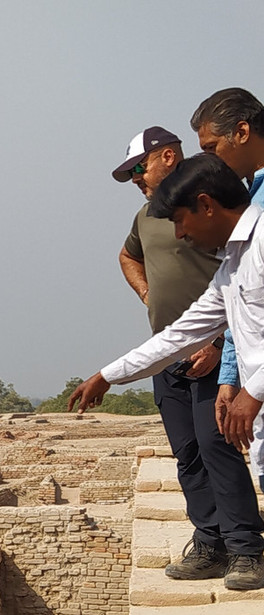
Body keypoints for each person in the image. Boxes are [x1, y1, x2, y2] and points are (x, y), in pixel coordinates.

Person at [110, 128, 264, 590]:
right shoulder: (147, 217)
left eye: (138, 168)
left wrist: (226, 360)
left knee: (218, 445)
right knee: (189, 453)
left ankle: (245, 547)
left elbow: (230, 304)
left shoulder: (224, 219)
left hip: (218, 357)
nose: (136, 179)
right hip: (174, 354)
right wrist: (146, 296)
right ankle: (210, 541)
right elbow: (128, 258)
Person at [191, 88, 264, 432]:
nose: (211, 161)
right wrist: (231, 377)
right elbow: (244, 298)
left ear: (242, 132)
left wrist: (254, 390)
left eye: (211, 147)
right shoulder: (250, 200)